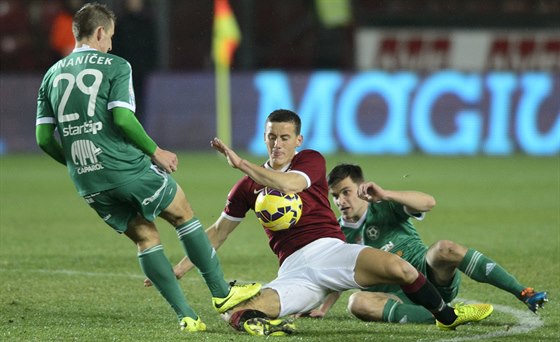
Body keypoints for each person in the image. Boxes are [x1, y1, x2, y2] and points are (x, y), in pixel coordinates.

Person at [150, 109, 494, 336]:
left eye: (285, 137)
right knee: (241, 311)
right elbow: (217, 233)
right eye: (272, 137)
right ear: (265, 137)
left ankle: (448, 317)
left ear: (297, 140)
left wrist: (241, 164)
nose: (278, 143)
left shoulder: (310, 160)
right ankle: (254, 323)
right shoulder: (246, 188)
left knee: (401, 269)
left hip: (331, 251)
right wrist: (178, 269)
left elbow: (288, 185)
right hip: (295, 267)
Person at [35, 2, 260, 333]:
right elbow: (123, 119)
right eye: (109, 36)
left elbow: (43, 138)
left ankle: (187, 316)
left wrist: (77, 163)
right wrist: (156, 151)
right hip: (124, 166)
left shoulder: (51, 76)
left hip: (87, 179)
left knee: (145, 236)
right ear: (99, 33)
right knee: (182, 212)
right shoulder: (115, 66)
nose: (110, 44)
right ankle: (222, 294)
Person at [306, 163, 548, 324]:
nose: (340, 200)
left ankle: (524, 293)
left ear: (361, 188)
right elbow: (336, 273)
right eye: (335, 196)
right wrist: (323, 308)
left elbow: (428, 202)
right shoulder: (336, 233)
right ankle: (446, 314)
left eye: (346, 192)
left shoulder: (385, 205)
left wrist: (387, 194)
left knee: (444, 248)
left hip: (430, 277)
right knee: (357, 302)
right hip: (394, 297)